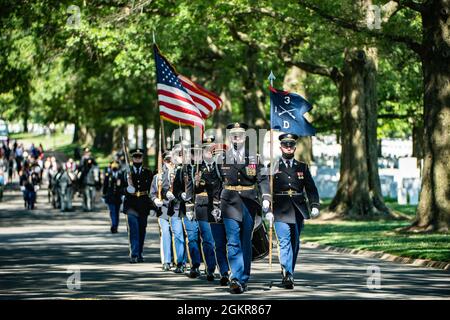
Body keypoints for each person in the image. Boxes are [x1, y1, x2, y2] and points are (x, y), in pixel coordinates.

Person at [217, 123, 270, 294]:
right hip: (229, 202)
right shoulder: (222, 158)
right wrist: (215, 203)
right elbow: (217, 183)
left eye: (240, 134)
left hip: (248, 202)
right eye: (233, 134)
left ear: (244, 137)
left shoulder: (254, 157)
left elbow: (262, 179)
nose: (236, 137)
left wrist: (267, 197)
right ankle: (236, 277)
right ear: (230, 137)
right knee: (233, 241)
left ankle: (244, 277)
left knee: (245, 241)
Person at [266, 133, 320, 289]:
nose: (288, 148)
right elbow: (265, 189)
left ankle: (289, 270)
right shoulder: (273, 166)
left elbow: (311, 188)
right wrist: (267, 209)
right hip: (280, 208)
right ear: (280, 147)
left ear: (295, 148)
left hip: (297, 209)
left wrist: (314, 205)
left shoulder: (302, 167)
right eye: (285, 145)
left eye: (291, 146)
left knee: (295, 244)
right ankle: (287, 273)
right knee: (284, 242)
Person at [194, 137, 224, 283]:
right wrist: (197, 182)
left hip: (220, 205)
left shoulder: (221, 165)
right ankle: (210, 268)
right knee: (207, 240)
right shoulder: (197, 167)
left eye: (211, 149)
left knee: (220, 241)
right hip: (203, 206)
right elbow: (193, 189)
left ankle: (224, 270)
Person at [123, 149, 154, 263]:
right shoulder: (127, 172)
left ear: (142, 158)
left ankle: (140, 252)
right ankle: (134, 254)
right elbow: (121, 188)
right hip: (131, 205)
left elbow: (152, 190)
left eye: (139, 157)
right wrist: (127, 189)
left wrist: (152, 207)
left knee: (142, 230)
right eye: (135, 157)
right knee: (134, 230)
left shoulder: (148, 172)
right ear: (132, 159)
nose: (137, 159)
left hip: (143, 205)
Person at [150, 151, 174, 271]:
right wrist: (155, 200)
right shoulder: (158, 176)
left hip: (176, 208)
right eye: (168, 160)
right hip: (163, 208)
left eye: (172, 160)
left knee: (178, 234)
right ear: (164, 161)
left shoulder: (179, 172)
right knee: (166, 232)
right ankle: (167, 260)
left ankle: (180, 260)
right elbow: (152, 193)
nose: (170, 163)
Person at [102, 160, 126, 233]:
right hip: (110, 197)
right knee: (112, 212)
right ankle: (114, 225)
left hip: (118, 197)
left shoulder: (121, 175)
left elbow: (123, 185)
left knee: (117, 212)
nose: (114, 167)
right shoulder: (108, 175)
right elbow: (105, 186)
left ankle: (116, 226)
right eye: (113, 166)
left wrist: (123, 194)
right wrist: (103, 195)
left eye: (116, 166)